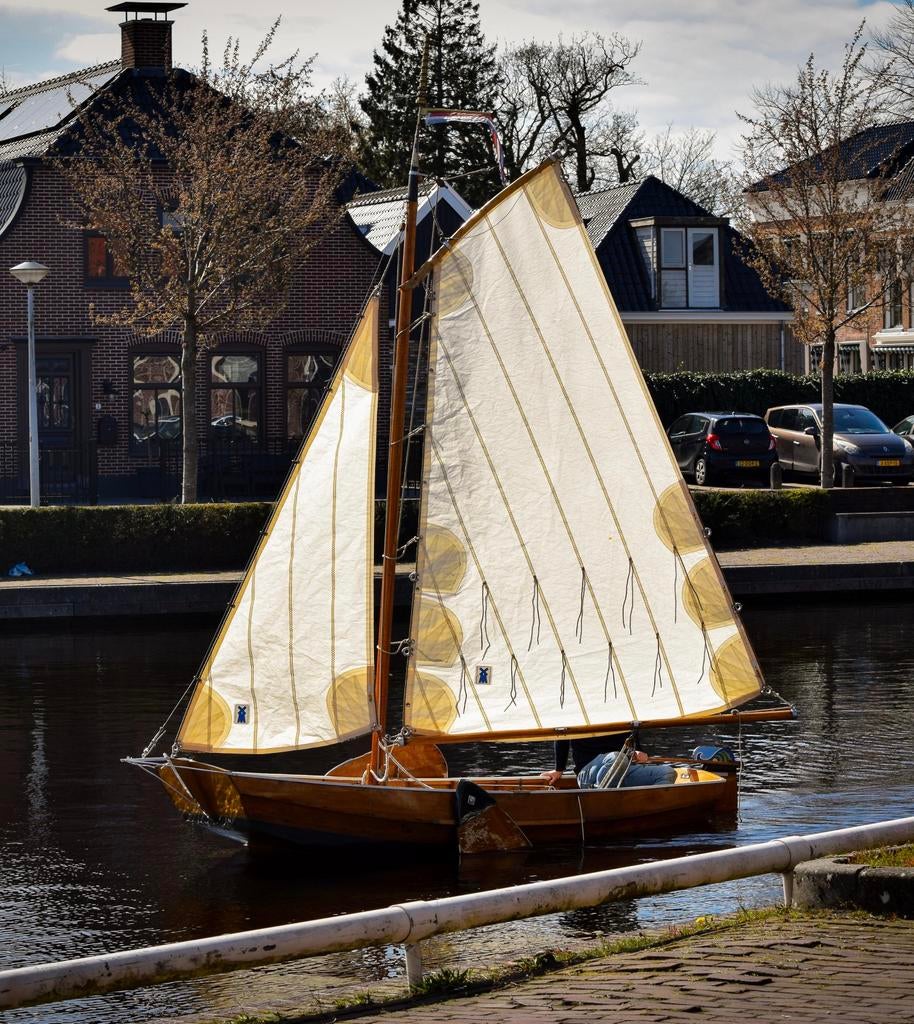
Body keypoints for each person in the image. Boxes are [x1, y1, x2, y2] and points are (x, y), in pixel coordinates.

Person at [541, 734, 647, 787]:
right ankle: (600, 796)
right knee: (617, 758)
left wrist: (638, 751)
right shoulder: (578, 709)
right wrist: (559, 769)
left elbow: (632, 730)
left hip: (623, 770)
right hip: (587, 773)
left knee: (663, 774)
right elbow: (562, 733)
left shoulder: (620, 708)